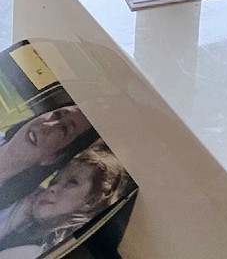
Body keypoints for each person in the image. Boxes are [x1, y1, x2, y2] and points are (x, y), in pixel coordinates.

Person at [0, 140, 133, 258]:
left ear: (92, 201)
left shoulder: (39, 250)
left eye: (72, 183)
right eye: (54, 181)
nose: (52, 188)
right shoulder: (22, 213)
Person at [0, 108, 97, 210]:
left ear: (53, 158)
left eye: (64, 129)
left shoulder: (12, 211)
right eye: (57, 114)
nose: (47, 126)